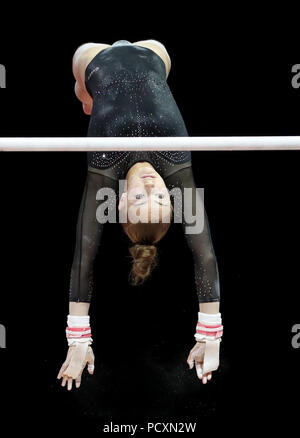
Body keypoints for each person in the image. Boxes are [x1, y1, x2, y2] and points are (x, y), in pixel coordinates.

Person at [57, 40, 223, 391]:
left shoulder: (103, 168)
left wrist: (78, 340)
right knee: (154, 62)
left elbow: (83, 258)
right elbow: (203, 252)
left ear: (117, 205)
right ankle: (92, 95)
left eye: (138, 196)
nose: (151, 184)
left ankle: (85, 96)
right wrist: (211, 333)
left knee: (83, 84)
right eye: (161, 195)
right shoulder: (177, 167)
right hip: (153, 54)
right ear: (173, 197)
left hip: (95, 60)